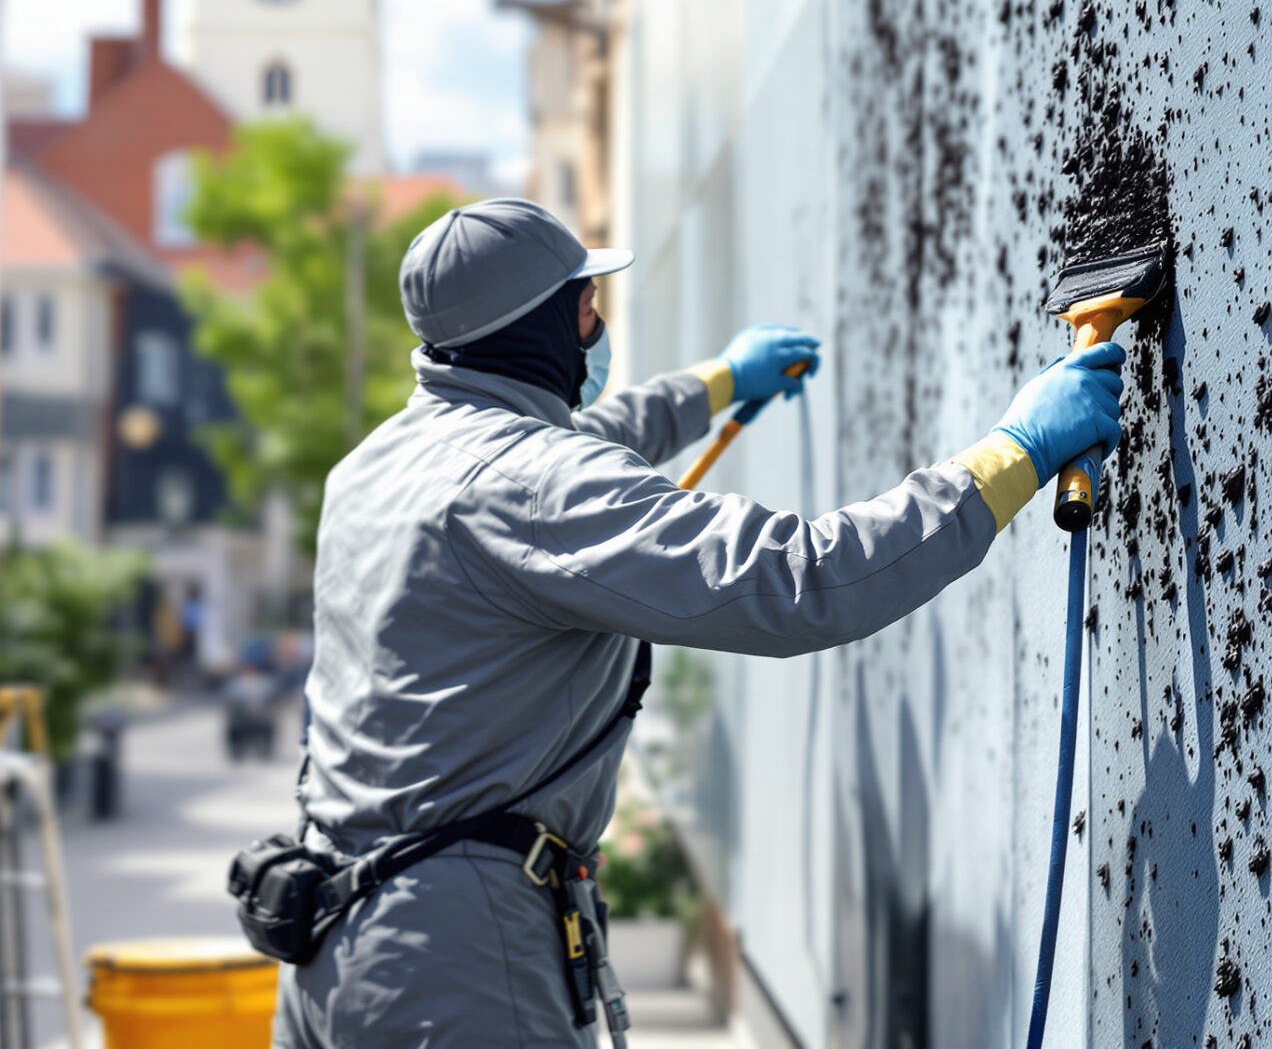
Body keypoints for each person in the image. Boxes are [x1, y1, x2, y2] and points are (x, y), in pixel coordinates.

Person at [272, 198, 1124, 1049]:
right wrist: (1015, 451)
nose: (595, 321)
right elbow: (802, 578)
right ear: (548, 324)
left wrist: (719, 381)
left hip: (324, 947)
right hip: (452, 969)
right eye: (585, 302)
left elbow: (577, 443)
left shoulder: (372, 469)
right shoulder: (534, 486)